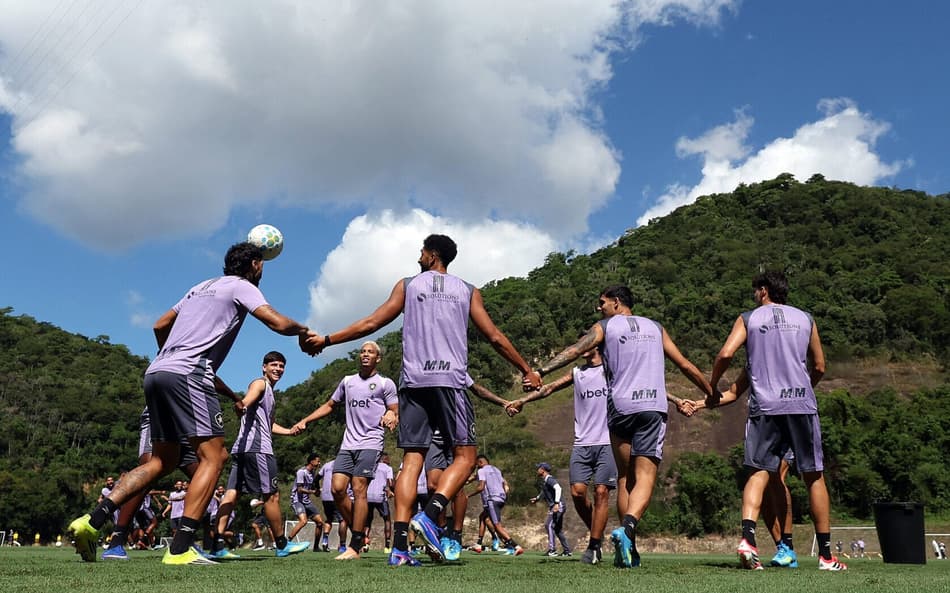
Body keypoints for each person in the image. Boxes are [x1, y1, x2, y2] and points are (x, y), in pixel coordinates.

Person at [68, 242, 318, 565]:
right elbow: (277, 323)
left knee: (160, 462)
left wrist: (171, 355)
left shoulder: (199, 287)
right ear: (255, 265)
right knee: (214, 456)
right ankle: (181, 547)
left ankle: (92, 520)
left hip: (157, 371)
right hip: (189, 374)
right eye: (261, 266)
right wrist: (304, 330)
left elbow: (159, 325)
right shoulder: (242, 286)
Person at [306, 234, 541, 567]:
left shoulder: (408, 285)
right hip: (451, 383)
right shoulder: (468, 290)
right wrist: (525, 368)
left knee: (412, 459)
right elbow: (494, 336)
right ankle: (430, 515)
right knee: (466, 457)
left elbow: (372, 322)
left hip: (414, 383)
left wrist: (328, 339)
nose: (418, 256)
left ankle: (400, 549)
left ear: (433, 256)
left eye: (421, 251)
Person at [531, 285, 710, 568]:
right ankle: (627, 530)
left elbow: (576, 348)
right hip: (651, 408)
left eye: (601, 302)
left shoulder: (605, 327)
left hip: (620, 409)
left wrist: (540, 370)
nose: (599, 307)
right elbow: (685, 365)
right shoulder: (656, 327)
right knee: (645, 476)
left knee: (626, 478)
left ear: (616, 302)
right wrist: (709, 391)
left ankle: (629, 546)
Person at [709, 271, 846, 571]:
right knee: (813, 476)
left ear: (763, 291)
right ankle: (826, 557)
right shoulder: (806, 319)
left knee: (758, 471)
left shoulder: (749, 318)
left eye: (755, 290)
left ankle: (748, 540)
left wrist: (711, 385)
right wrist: (803, 388)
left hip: (765, 406)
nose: (754, 296)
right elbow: (820, 366)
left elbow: (725, 353)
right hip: (801, 404)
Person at [507, 342, 616, 564]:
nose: (583, 347)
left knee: (601, 491)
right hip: (582, 442)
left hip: (608, 442)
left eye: (589, 341)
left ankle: (594, 545)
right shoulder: (577, 373)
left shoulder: (612, 369)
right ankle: (597, 532)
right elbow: (549, 388)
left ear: (598, 345)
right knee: (577, 493)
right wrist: (523, 401)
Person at [293, 341, 398, 560]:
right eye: (362, 351)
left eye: (370, 352)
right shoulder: (348, 381)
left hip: (371, 442)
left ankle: (355, 543)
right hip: (348, 443)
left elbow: (394, 410)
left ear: (378, 358)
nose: (365, 354)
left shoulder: (385, 383)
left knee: (359, 488)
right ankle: (359, 527)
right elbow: (330, 405)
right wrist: (306, 419)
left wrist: (390, 415)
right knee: (337, 489)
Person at [688, 371, 799, 568]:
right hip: (763, 418)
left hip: (786, 414)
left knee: (775, 476)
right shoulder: (755, 357)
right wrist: (701, 403)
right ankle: (781, 546)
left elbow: (816, 369)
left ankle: (785, 546)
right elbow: (733, 392)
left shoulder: (786, 349)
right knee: (763, 483)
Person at [211, 351, 310, 560]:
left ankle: (216, 545)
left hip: (241, 449)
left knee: (232, 493)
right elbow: (246, 403)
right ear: (264, 367)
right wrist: (242, 405)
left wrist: (290, 431)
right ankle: (282, 544)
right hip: (258, 449)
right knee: (271, 496)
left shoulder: (270, 393)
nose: (278, 369)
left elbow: (268, 423)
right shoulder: (260, 384)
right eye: (274, 365)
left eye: (282, 366)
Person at [467, 454, 522, 555]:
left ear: (480, 462)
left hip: (492, 500)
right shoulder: (496, 470)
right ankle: (478, 544)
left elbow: (481, 487)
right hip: (501, 498)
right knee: (483, 517)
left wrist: (468, 495)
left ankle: (515, 546)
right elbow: (503, 482)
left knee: (497, 526)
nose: (476, 467)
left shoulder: (482, 470)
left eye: (476, 464)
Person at [531, 462, 571, 557]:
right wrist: (537, 498)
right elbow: (544, 491)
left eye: (539, 468)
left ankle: (552, 550)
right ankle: (567, 551)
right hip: (558, 505)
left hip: (558, 505)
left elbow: (558, 489)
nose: (537, 470)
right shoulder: (545, 481)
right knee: (557, 529)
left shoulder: (549, 479)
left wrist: (556, 503)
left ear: (543, 470)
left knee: (548, 525)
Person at [287, 453, 325, 548]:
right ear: (311, 461)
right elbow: (300, 489)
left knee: (320, 522)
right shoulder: (301, 472)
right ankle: (286, 542)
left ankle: (316, 547)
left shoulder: (312, 473)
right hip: (297, 501)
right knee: (303, 521)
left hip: (306, 501)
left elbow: (311, 488)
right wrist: (312, 492)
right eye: (318, 461)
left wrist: (317, 491)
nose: (319, 463)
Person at [364, 452, 395, 553]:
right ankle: (387, 546)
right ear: (384, 459)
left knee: (368, 520)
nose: (389, 461)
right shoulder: (387, 468)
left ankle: (365, 542)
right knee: (387, 519)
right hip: (380, 497)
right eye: (388, 459)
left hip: (368, 496)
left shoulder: (371, 466)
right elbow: (390, 482)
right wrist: (392, 490)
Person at [317, 458, 347, 552]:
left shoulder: (327, 465)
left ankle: (325, 541)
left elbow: (316, 478)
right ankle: (342, 546)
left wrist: (317, 488)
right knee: (343, 520)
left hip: (325, 497)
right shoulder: (345, 464)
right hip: (336, 496)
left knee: (329, 519)